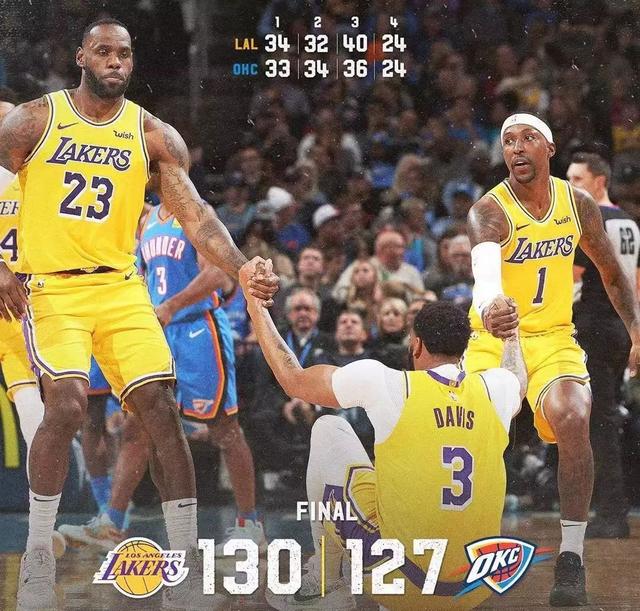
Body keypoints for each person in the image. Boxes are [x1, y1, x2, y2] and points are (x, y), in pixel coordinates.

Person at [0, 18, 278, 610]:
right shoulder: (33, 119)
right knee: (67, 405)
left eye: (124, 54)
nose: (115, 61)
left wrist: (240, 267)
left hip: (123, 288)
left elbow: (197, 216)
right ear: (81, 56)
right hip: (53, 288)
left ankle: (183, 564)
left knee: (160, 410)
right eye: (103, 51)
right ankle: (38, 555)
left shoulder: (153, 135)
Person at [240, 261, 526, 610]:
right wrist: (511, 335)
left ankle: (329, 582)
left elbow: (293, 380)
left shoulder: (389, 383)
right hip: (474, 590)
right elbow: (518, 378)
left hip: (403, 583)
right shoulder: (497, 389)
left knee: (328, 428)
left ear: (416, 345)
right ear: (464, 350)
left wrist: (255, 306)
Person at [464, 113, 640, 606]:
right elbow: (485, 279)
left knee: (575, 416)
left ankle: (571, 556)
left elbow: (611, 271)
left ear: (549, 148)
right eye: (508, 141)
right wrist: (491, 306)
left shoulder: (578, 204)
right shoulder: (488, 210)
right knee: (473, 432)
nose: (517, 148)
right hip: (493, 336)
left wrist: (636, 330)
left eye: (528, 138)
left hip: (553, 336)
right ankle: (463, 540)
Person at [567, 152, 639, 538]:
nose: (570, 187)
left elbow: (571, 281)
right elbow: (636, 284)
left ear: (600, 182)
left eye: (577, 180)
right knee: (610, 418)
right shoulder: (629, 222)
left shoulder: (588, 221)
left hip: (593, 324)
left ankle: (611, 513)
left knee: (599, 422)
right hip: (620, 328)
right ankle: (614, 508)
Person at [0, 100, 45, 465]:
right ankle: (43, 487)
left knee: (28, 394)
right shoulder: (39, 178)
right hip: (21, 296)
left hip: (15, 297)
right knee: (29, 393)